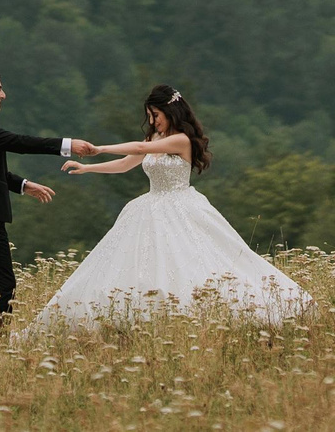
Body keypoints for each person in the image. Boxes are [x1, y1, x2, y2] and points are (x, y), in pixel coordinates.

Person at [34, 83, 310, 330]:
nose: (152, 121)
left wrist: (100, 148)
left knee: (193, 259)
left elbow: (139, 151)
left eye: (155, 115)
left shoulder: (181, 140)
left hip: (180, 205)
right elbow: (127, 163)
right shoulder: (154, 139)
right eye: (150, 116)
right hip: (151, 206)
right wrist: (88, 168)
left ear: (170, 112)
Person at [0, 67, 94, 347]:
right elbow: (18, 142)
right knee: (3, 286)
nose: (3, 95)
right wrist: (67, 145)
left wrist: (23, 185)